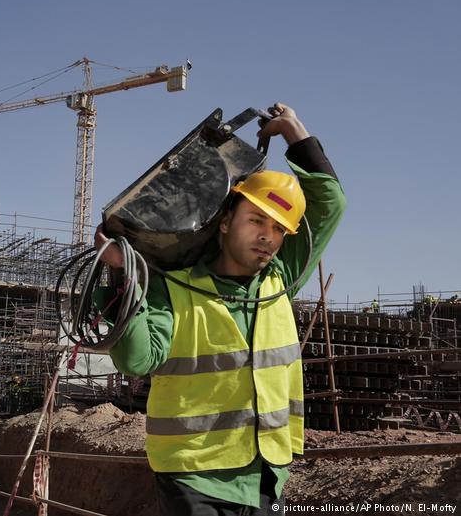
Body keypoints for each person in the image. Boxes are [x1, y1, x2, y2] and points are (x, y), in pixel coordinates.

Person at [94, 104, 345, 515]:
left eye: (278, 230)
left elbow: (330, 203)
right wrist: (127, 275)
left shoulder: (279, 280)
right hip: (195, 476)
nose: (268, 237)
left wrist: (298, 137)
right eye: (256, 221)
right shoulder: (175, 287)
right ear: (226, 221)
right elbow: (135, 359)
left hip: (267, 472)